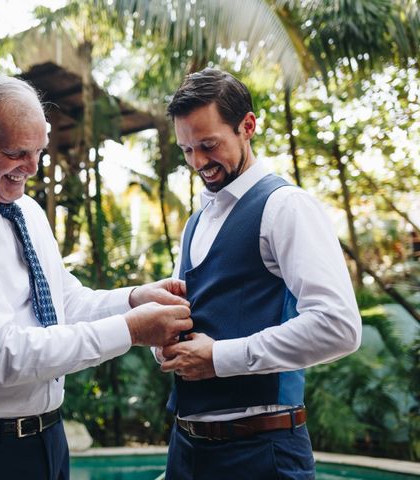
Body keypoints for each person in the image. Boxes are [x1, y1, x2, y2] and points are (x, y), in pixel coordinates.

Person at [0, 75, 193, 480]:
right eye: (16, 152)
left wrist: (134, 299)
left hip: (47, 440)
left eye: (38, 152)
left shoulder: (25, 209)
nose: (32, 168)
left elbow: (63, 303)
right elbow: (4, 355)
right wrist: (132, 331)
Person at [157, 68, 362, 479]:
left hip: (261, 453)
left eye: (208, 145)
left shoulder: (286, 207)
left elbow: (338, 327)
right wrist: (164, 342)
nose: (197, 162)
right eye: (186, 150)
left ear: (247, 126)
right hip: (187, 452)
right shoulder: (195, 222)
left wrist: (219, 357)